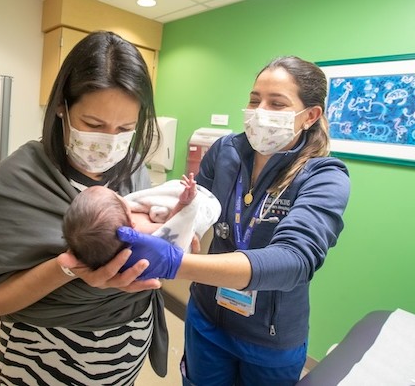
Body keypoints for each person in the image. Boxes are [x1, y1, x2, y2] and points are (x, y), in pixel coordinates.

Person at [108, 56, 351, 386]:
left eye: (276, 103)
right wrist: (155, 217)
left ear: (310, 116)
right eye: (254, 100)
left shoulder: (324, 177)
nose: (259, 110)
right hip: (207, 315)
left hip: (269, 336)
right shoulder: (226, 151)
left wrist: (176, 264)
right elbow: (197, 207)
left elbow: (294, 260)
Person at [0, 30, 169, 385]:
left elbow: (144, 237)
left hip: (127, 345)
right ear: (62, 106)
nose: (110, 143)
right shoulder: (15, 180)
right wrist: (67, 269)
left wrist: (170, 242)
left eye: (126, 128)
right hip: (46, 353)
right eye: (93, 124)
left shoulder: (133, 168)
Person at [62, 174, 199, 270]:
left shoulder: (108, 224)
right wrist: (183, 203)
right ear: (130, 224)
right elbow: (171, 226)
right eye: (117, 197)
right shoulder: (141, 229)